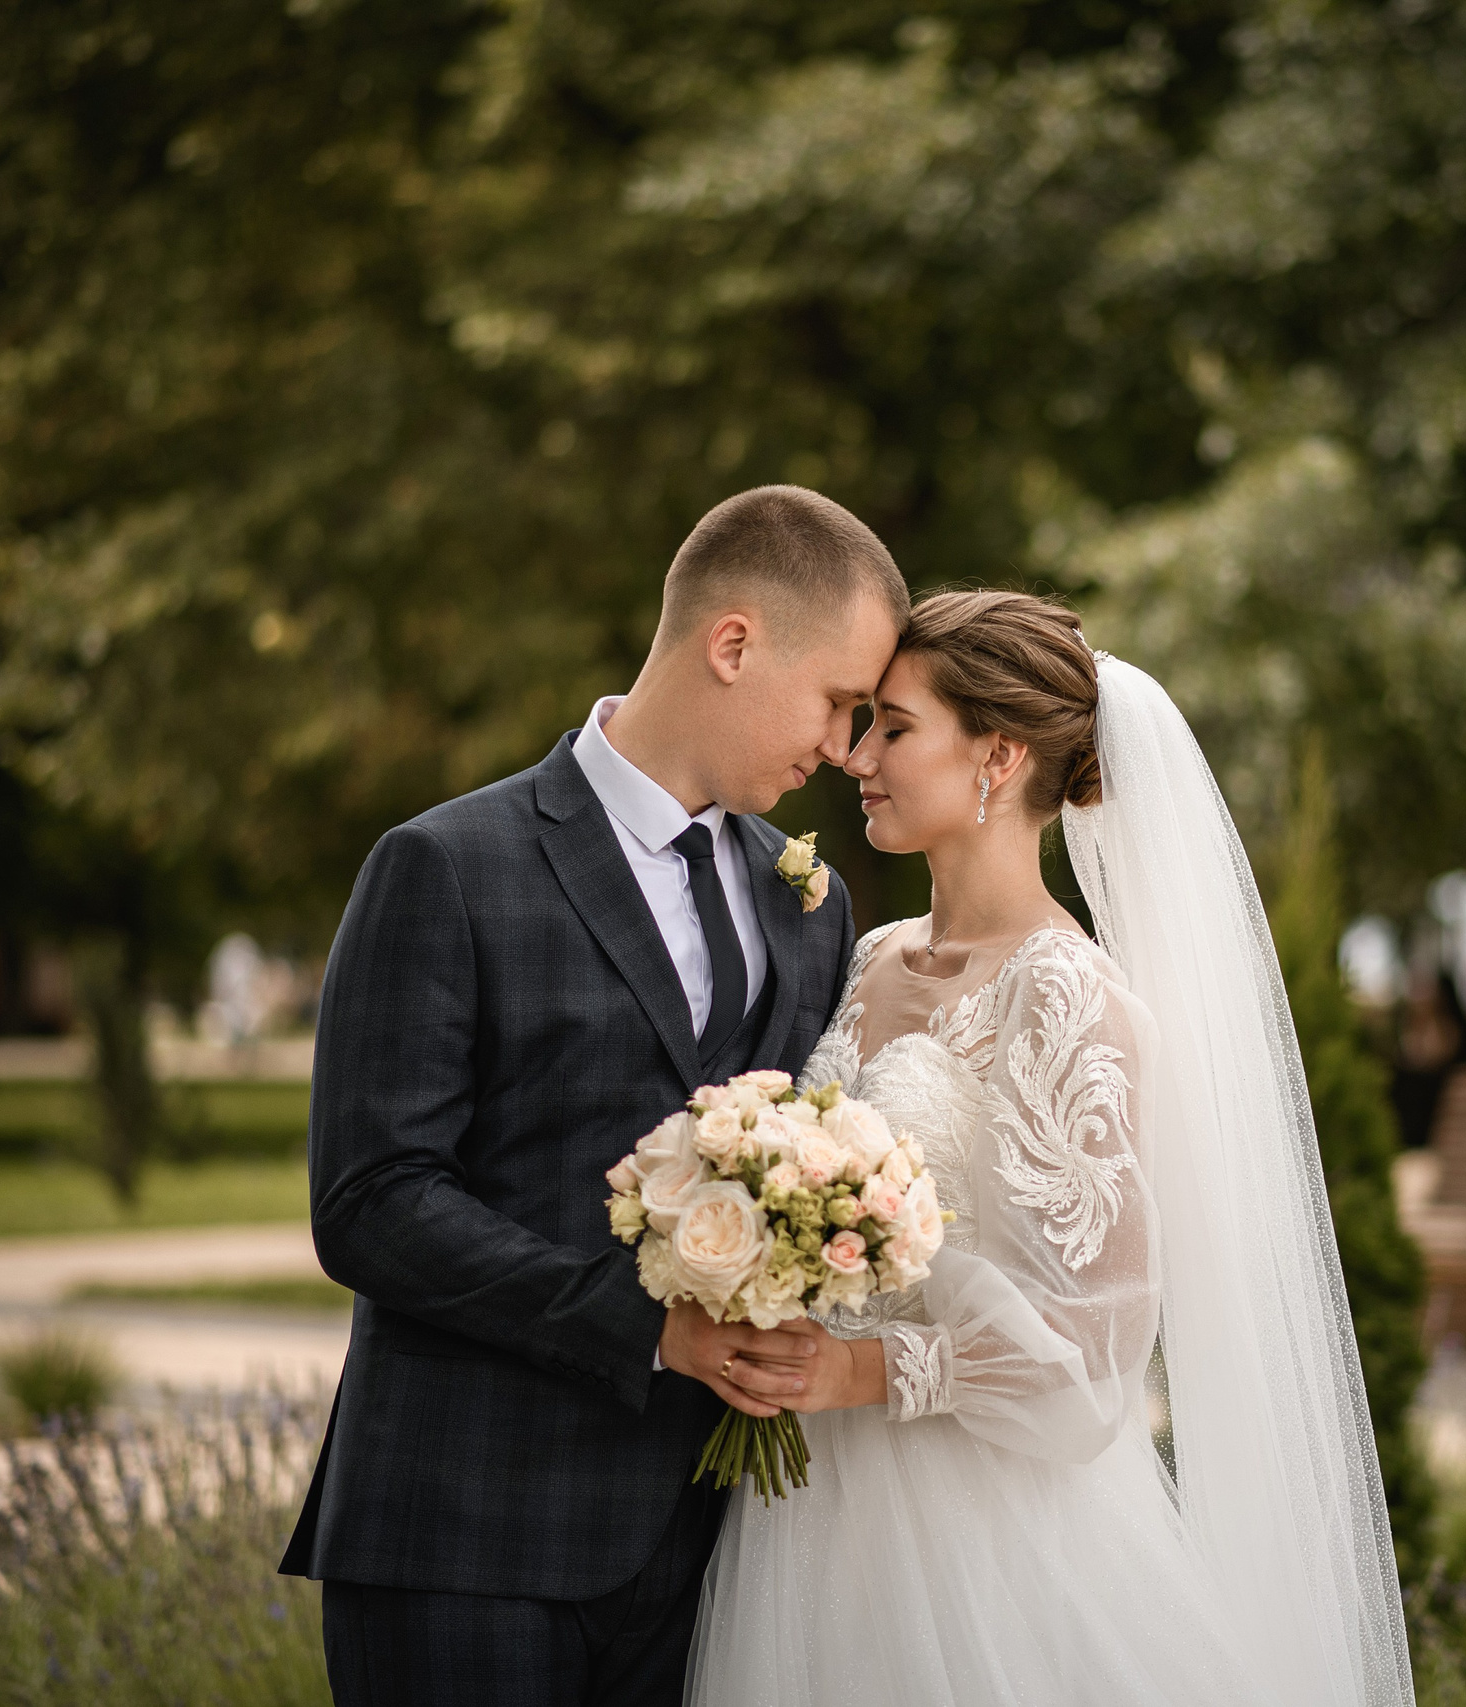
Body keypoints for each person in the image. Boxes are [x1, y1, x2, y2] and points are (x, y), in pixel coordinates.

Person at [685, 590, 1414, 1707]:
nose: (857, 756)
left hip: (977, 1527)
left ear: (999, 755)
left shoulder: (1066, 992)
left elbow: (1092, 1355)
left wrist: (858, 1371)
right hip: (811, 1508)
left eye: (893, 727)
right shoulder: (872, 954)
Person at [280, 486, 906, 1707]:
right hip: (465, 1540)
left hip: (713, 1559)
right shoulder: (445, 866)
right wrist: (650, 1329)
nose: (845, 747)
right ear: (734, 643)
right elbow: (371, 1201)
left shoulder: (808, 905)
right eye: (839, 702)